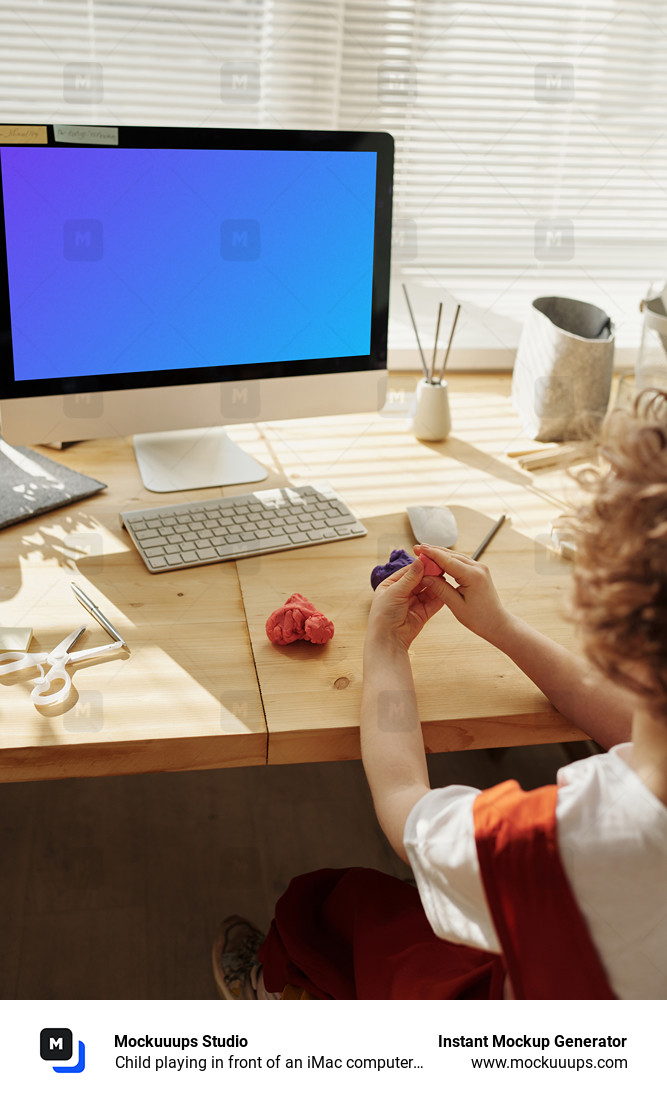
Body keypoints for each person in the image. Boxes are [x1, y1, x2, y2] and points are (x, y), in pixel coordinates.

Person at [213, 391, 667, 1000]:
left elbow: (404, 801)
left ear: (613, 636)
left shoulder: (547, 847)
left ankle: (282, 988)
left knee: (333, 905)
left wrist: (386, 646)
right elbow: (636, 730)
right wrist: (502, 628)